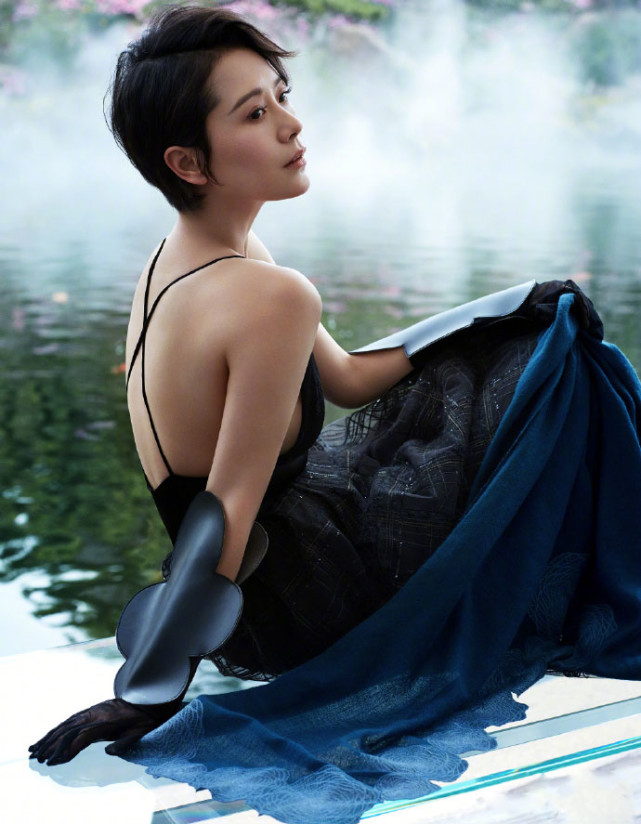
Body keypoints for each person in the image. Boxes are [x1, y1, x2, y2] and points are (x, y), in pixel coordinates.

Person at [29, 6, 641, 824]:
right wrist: (149, 687)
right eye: (254, 114)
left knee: (530, 338)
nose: (291, 125)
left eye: (280, 97)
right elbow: (229, 503)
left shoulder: (188, 258)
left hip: (257, 588)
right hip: (300, 599)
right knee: (563, 370)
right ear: (188, 161)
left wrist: (505, 305)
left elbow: (349, 379)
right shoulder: (267, 294)